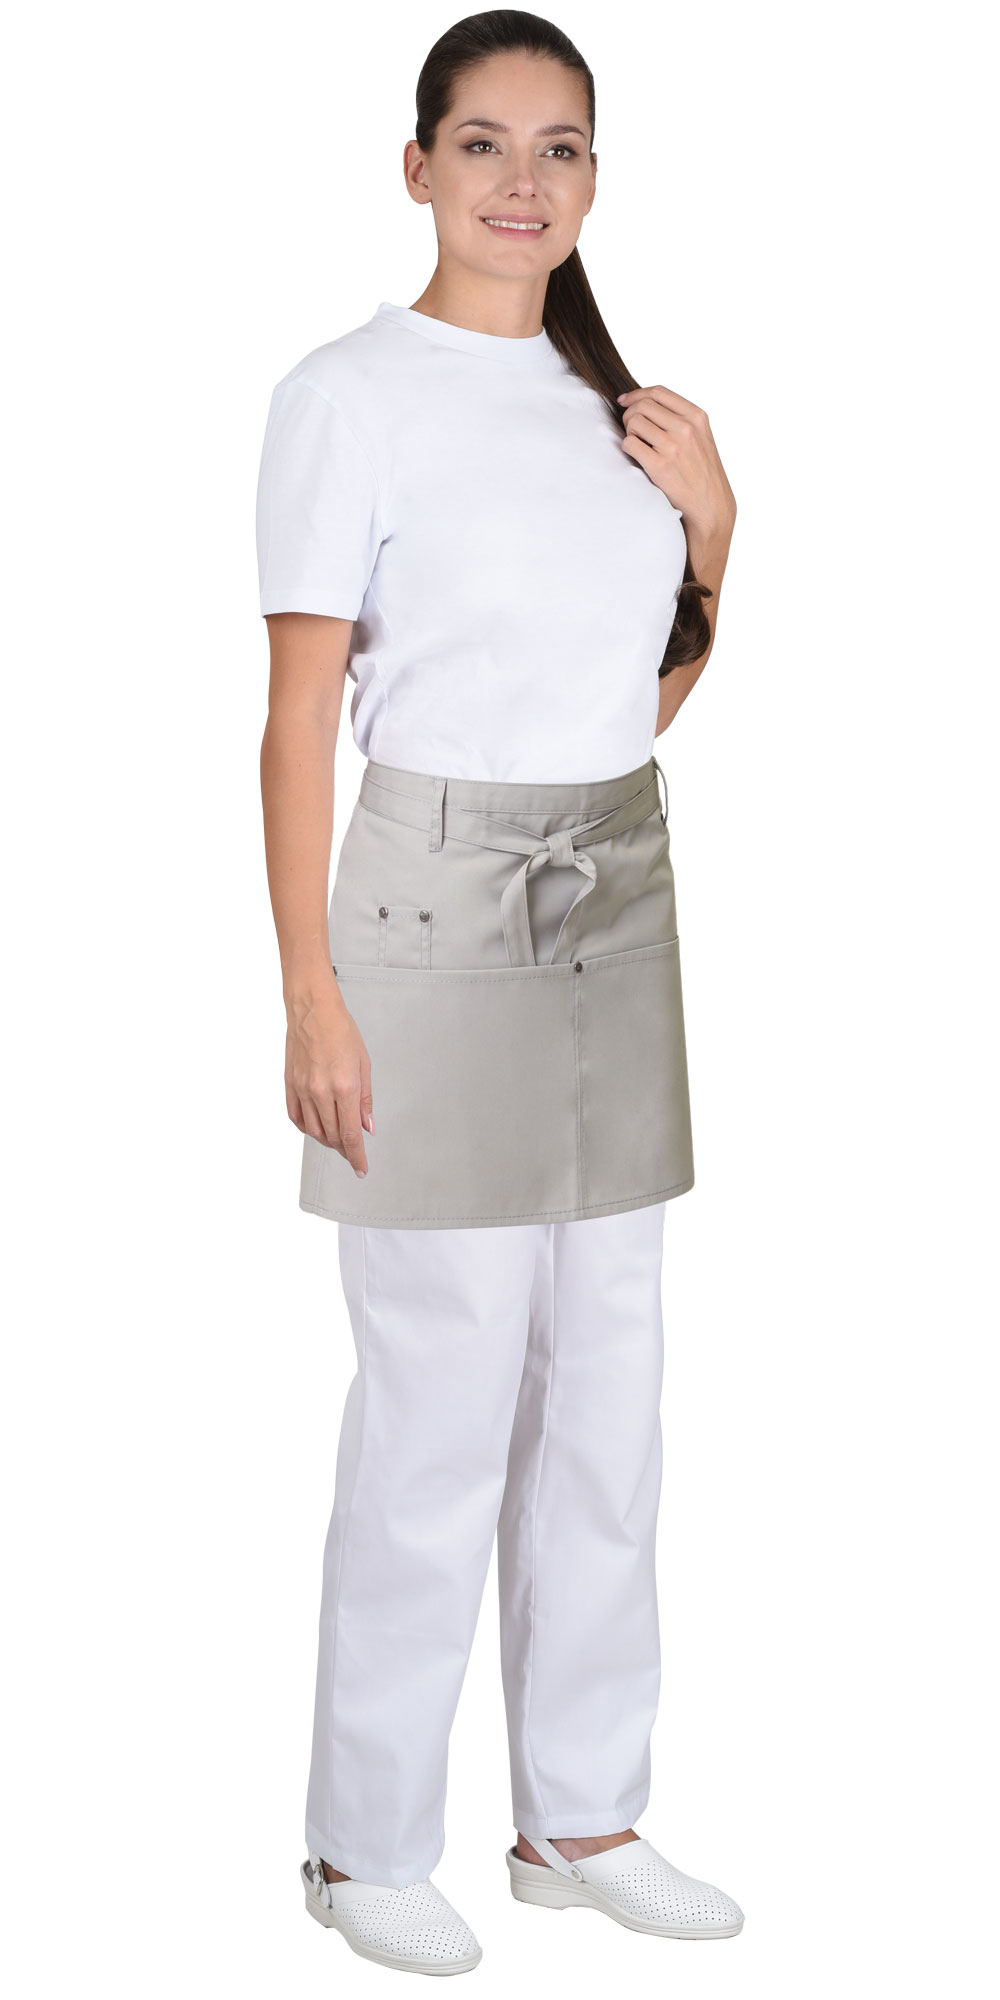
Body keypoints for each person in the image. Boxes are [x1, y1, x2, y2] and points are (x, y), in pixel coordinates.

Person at [256, 9, 741, 1976]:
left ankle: (580, 1815)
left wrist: (718, 527)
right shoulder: (344, 396)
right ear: (417, 168)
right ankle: (363, 1842)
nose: (521, 181)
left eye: (559, 148)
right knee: (440, 1389)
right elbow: (299, 719)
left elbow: (631, 700)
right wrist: (311, 990)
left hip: (616, 894)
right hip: (430, 912)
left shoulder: (620, 410)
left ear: (595, 180)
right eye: (482, 142)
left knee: (608, 1383)